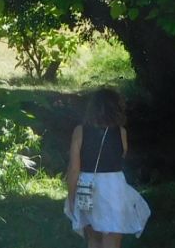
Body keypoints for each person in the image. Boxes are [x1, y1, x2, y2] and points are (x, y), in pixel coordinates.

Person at [64, 87, 150, 245]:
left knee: (93, 237)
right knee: (112, 237)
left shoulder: (80, 131)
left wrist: (71, 196)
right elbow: (121, 155)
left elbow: (74, 169)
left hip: (86, 186)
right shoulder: (121, 132)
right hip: (114, 187)